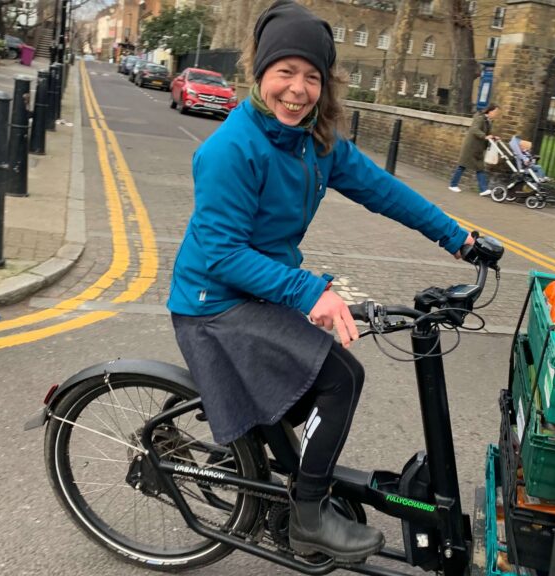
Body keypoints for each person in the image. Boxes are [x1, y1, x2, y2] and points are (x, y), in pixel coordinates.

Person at [165, 0, 474, 563]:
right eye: (285, 72)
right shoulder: (231, 150)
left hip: (261, 289)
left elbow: (383, 191)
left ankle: (279, 466)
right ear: (261, 73)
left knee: (314, 383)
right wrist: (313, 293)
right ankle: (308, 515)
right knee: (339, 378)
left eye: (312, 76)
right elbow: (223, 254)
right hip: (214, 302)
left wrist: (458, 237)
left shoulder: (316, 141)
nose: (298, 89)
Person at [448, 104, 501, 194]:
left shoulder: (489, 121)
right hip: (471, 147)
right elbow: (474, 130)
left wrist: (493, 137)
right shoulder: (480, 118)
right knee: (462, 165)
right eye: (495, 112)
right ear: (490, 111)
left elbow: (488, 134)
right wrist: (485, 136)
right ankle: (453, 185)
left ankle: (483, 189)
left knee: (480, 168)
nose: (496, 114)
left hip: (478, 148)